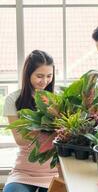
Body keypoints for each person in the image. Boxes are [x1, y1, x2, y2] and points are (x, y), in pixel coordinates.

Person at [3, 50, 58, 192]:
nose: (45, 81)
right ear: (28, 74)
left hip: (54, 170)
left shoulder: (58, 99)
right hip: (24, 171)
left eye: (49, 76)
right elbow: (20, 140)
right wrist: (48, 132)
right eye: (39, 76)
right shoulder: (13, 99)